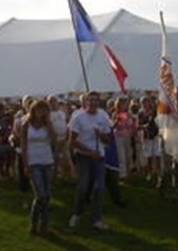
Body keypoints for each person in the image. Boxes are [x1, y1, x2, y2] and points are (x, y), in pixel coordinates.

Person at [68, 91, 112, 230]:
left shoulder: (103, 117)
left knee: (99, 187)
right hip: (83, 156)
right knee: (83, 186)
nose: (93, 103)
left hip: (99, 156)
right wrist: (88, 152)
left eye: (96, 100)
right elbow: (72, 141)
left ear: (99, 102)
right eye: (91, 100)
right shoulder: (78, 118)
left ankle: (96, 219)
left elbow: (108, 140)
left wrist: (102, 135)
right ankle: (77, 213)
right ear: (86, 102)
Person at [21, 100, 56, 235]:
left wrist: (49, 124)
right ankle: (34, 222)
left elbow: (54, 140)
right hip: (33, 162)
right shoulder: (26, 125)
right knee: (40, 195)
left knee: (47, 196)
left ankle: (43, 226)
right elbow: (24, 147)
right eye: (39, 109)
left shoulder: (48, 125)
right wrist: (25, 164)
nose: (42, 112)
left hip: (47, 161)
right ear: (33, 111)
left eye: (45, 110)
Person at [48, 95, 73, 180]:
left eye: (54, 101)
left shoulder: (62, 113)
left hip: (64, 139)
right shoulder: (48, 115)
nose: (53, 103)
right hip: (54, 141)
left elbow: (67, 123)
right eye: (51, 101)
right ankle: (54, 178)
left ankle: (68, 177)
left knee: (66, 159)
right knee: (54, 160)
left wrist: (67, 134)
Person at [112, 96, 136, 179]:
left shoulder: (129, 114)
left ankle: (129, 172)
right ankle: (123, 174)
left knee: (128, 155)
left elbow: (132, 124)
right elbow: (113, 125)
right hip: (119, 137)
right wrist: (117, 121)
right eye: (123, 104)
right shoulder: (116, 114)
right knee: (121, 155)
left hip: (128, 136)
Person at [138, 97, 161, 183]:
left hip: (156, 135)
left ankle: (159, 172)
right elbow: (138, 125)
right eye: (143, 103)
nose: (145, 104)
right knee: (149, 156)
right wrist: (144, 126)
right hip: (147, 136)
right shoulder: (141, 113)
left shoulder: (155, 112)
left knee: (157, 154)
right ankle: (150, 173)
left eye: (147, 102)